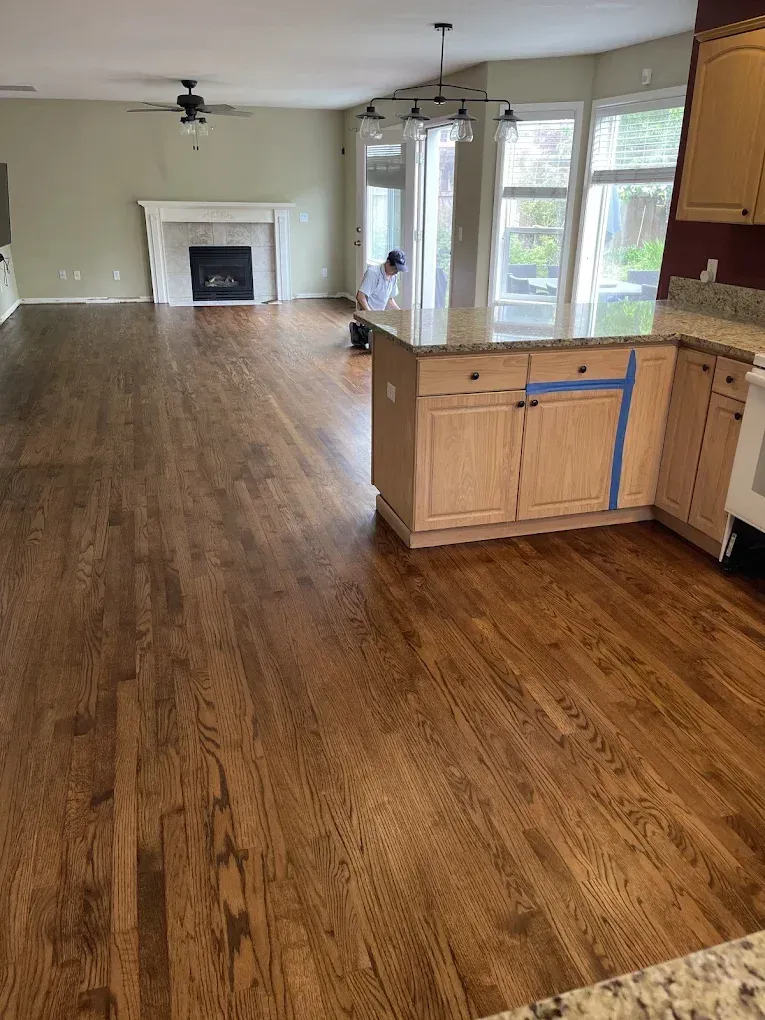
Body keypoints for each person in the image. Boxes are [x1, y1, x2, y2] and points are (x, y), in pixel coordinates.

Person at [349, 250, 407, 348]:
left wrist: (401, 314)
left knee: (398, 334)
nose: (396, 272)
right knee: (381, 345)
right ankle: (359, 331)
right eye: (395, 268)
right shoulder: (373, 273)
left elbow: (389, 300)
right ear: (387, 262)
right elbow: (360, 297)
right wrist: (371, 316)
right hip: (368, 317)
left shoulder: (393, 276)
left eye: (398, 269)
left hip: (379, 316)